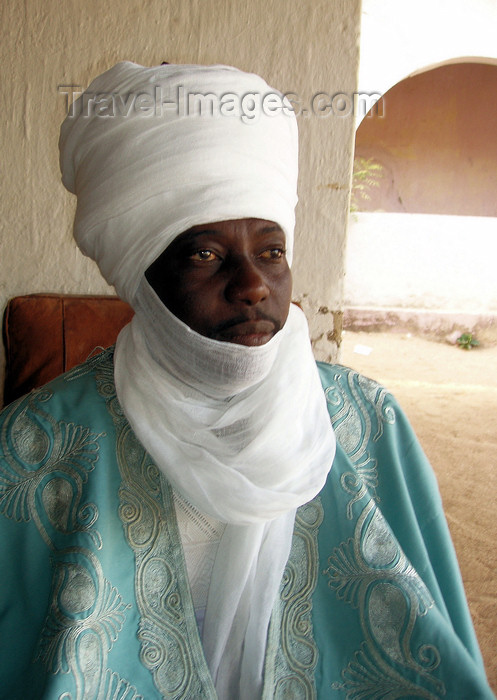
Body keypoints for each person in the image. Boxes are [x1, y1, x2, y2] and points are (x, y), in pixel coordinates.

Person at [0, 62, 494, 700]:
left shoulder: (369, 424)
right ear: (139, 277)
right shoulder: (34, 450)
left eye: (272, 251)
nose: (255, 285)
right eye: (205, 254)